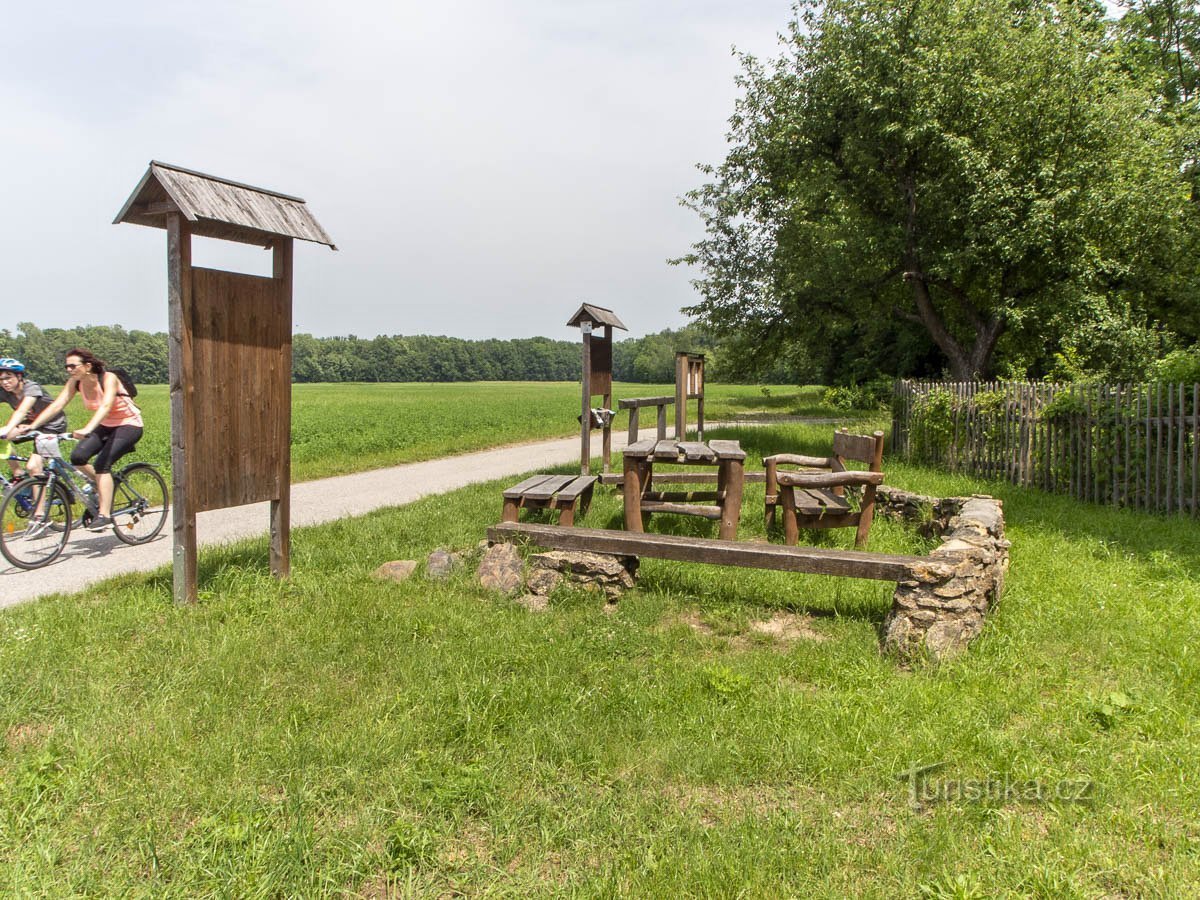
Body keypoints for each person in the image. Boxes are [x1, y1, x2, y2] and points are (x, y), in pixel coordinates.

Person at [18, 349, 143, 532]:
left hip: (129, 424)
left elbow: (106, 406)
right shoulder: (75, 382)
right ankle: (101, 487)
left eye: (73, 366)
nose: (69, 369)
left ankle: (105, 515)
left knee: (102, 464)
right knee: (78, 457)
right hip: (106, 425)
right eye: (66, 366)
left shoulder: (108, 378)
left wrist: (87, 429)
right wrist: (33, 426)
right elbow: (57, 405)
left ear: (87, 366)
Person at [0, 357, 68, 480]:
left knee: (33, 467)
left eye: (8, 377)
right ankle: (18, 473)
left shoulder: (31, 387)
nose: (4, 382)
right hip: (30, 424)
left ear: (19, 376)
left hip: (52, 426)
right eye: (1, 379)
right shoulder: (5, 392)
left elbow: (22, 410)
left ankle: (41, 499)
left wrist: (8, 428)